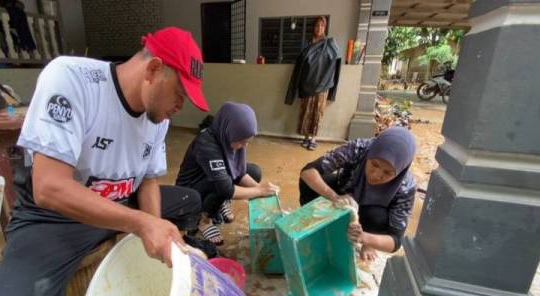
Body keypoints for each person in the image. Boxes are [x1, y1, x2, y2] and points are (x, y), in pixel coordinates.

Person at [0, 27, 208, 296]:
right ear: (152, 71)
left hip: (122, 201)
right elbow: (49, 187)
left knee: (191, 199)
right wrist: (142, 224)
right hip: (57, 217)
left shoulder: (157, 116)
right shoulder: (71, 79)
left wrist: (152, 238)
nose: (180, 107)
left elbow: (149, 180)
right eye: (179, 94)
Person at [299, 127, 417, 261]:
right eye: (374, 164)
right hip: (345, 194)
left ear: (399, 172)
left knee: (377, 217)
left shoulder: (406, 186)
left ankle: (368, 243)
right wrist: (334, 197)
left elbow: (395, 241)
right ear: (371, 154)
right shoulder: (359, 148)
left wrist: (365, 238)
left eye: (387, 173)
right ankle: (316, 225)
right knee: (313, 182)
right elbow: (308, 171)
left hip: (370, 215)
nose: (376, 175)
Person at [176, 102, 279, 245]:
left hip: (211, 178)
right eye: (242, 141)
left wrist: (260, 188)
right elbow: (226, 188)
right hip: (189, 190)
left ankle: (217, 204)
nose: (244, 146)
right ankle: (204, 221)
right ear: (229, 131)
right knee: (223, 185)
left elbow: (240, 173)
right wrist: (259, 191)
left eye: (247, 141)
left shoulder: (229, 137)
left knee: (254, 172)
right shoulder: (206, 145)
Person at [285, 16, 341, 151]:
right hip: (306, 84)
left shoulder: (330, 44)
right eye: (317, 26)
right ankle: (306, 137)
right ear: (313, 27)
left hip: (322, 86)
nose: (319, 28)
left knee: (317, 112)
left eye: (322, 26)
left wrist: (331, 88)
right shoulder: (308, 44)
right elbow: (301, 63)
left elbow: (336, 62)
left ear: (325, 27)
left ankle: (313, 138)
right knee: (306, 111)